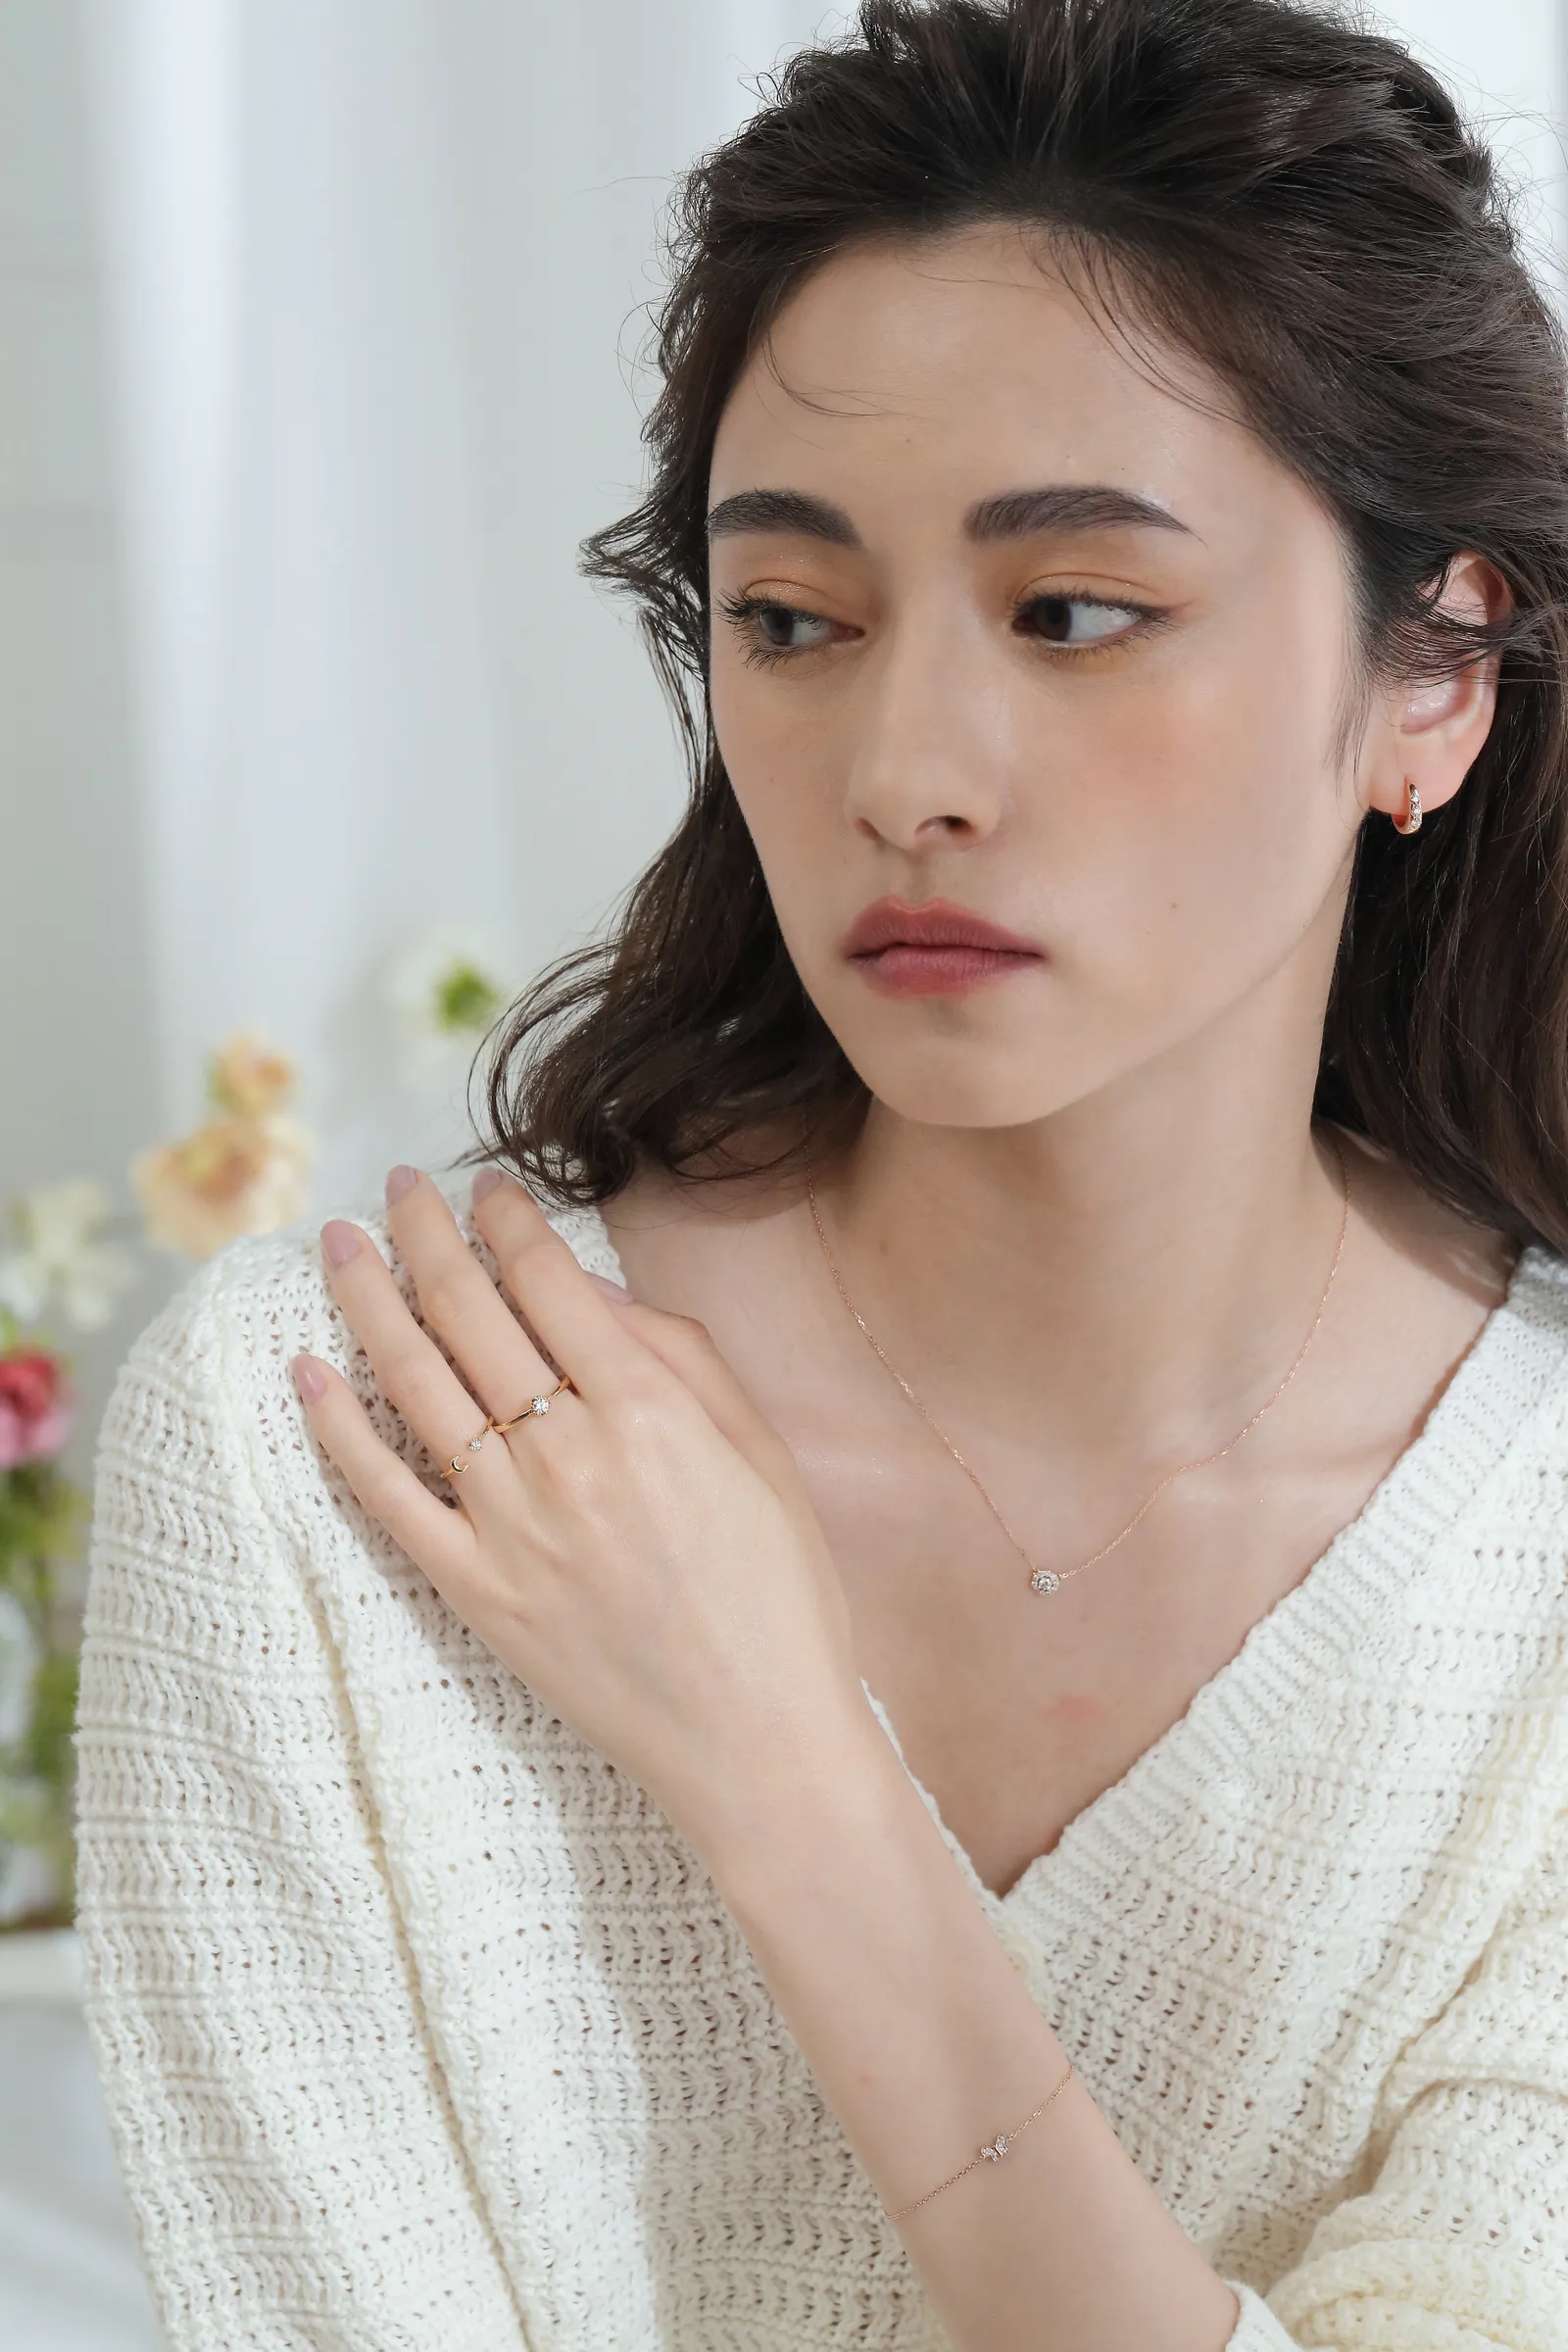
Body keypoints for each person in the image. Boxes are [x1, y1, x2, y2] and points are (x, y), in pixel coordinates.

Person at [75, 1, 1568, 2346]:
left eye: (1070, 612)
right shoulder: (334, 1459)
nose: (901, 769)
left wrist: (786, 1777)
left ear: (1433, 677)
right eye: (792, 621)